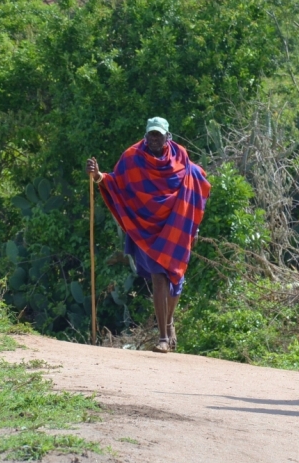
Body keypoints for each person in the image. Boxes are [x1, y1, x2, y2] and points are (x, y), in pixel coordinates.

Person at [86, 117, 211, 353]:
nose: (155, 139)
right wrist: (98, 176)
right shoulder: (132, 157)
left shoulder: (180, 155)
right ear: (146, 135)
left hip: (176, 225)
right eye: (151, 135)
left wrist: (192, 226)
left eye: (159, 135)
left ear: (167, 136)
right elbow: (116, 181)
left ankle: (169, 321)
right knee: (158, 277)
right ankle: (163, 337)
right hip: (148, 229)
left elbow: (194, 183)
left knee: (176, 279)